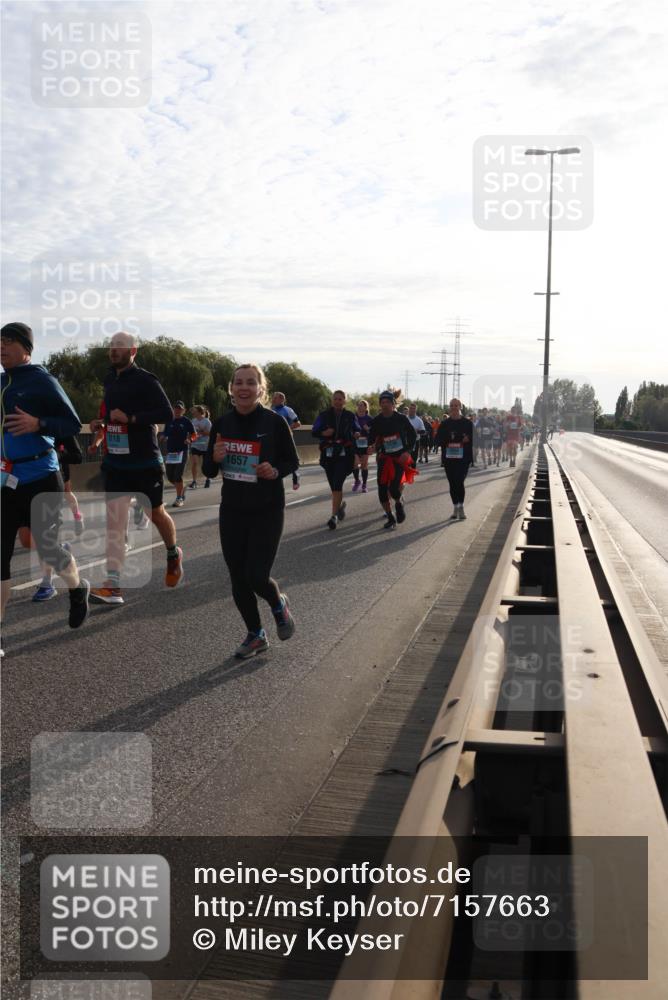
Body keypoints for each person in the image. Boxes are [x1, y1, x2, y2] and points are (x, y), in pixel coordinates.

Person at [202, 363, 299, 658]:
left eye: (250, 382)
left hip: (267, 508)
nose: (244, 387)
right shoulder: (221, 424)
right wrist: (215, 458)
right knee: (237, 577)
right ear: (231, 389)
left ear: (261, 389)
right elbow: (207, 468)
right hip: (232, 509)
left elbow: (292, 462)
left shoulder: (274, 422)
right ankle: (256, 634)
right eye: (238, 382)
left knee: (257, 575)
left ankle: (277, 603)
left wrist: (274, 469)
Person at [1, 322, 90, 635]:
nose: (1, 347)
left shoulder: (42, 380)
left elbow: (72, 423)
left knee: (49, 548)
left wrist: (38, 423)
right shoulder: (1, 383)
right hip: (5, 480)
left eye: (8, 341)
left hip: (41, 477)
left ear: (26, 348)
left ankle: (78, 589)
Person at [88, 331, 183, 605]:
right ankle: (113, 585)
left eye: (120, 346)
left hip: (144, 462)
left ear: (133, 351)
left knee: (156, 513)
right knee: (115, 523)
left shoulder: (146, 380)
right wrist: (102, 423)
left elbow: (166, 414)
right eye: (112, 346)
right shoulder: (109, 379)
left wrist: (131, 418)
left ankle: (173, 553)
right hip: (116, 463)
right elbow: (111, 414)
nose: (114, 350)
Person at [32, 434, 83, 601]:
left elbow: (77, 456)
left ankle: (47, 583)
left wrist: (55, 454)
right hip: (26, 480)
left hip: (54, 475)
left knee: (43, 535)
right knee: (28, 539)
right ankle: (59, 548)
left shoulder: (60, 424)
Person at [368, 389, 417, 530]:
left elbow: (412, 435)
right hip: (384, 457)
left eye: (387, 402)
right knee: (382, 490)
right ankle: (390, 517)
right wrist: (370, 446)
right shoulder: (377, 421)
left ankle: (399, 502)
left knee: (394, 488)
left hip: (399, 457)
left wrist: (408, 451)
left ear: (393, 404)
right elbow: (371, 437)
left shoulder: (401, 418)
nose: (384, 405)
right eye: (382, 402)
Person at [312, 390, 360, 529]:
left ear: (345, 400)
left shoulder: (350, 416)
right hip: (328, 455)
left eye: (340, 399)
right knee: (334, 487)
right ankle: (339, 509)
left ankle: (333, 516)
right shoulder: (324, 415)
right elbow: (314, 431)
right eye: (335, 399)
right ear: (332, 400)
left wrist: (356, 433)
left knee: (338, 483)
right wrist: (323, 433)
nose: (338, 401)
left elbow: (356, 429)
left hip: (345, 455)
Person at [435, 397, 474, 520]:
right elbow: (437, 439)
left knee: (459, 481)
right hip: (449, 458)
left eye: (456, 406)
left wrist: (469, 439)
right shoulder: (445, 424)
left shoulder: (468, 423)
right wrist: (445, 442)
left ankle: (461, 507)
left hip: (463, 458)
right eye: (452, 406)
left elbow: (477, 438)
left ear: (460, 407)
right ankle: (455, 507)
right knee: (452, 483)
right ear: (449, 408)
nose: (454, 408)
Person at [159, 401, 195, 508]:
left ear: (183, 410)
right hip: (171, 453)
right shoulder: (169, 421)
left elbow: (194, 434)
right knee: (170, 476)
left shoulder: (186, 421)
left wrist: (190, 439)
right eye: (176, 408)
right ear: (173, 409)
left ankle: (179, 498)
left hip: (182, 452)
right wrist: (163, 437)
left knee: (178, 475)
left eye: (180, 409)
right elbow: (165, 433)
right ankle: (181, 488)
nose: (177, 410)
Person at [270, 393, 301, 491]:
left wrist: (287, 428)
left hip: (287, 439)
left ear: (282, 399)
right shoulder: (270, 410)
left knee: (291, 459)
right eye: (273, 398)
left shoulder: (288, 410)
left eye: (275, 398)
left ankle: (296, 478)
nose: (273, 399)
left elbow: (298, 423)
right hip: (273, 439)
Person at [189, 405, 213, 488]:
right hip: (195, 445)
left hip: (205, 445)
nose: (193, 412)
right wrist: (191, 439)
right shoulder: (193, 421)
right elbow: (192, 434)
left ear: (199, 412)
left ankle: (208, 479)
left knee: (205, 464)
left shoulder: (207, 421)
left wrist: (201, 432)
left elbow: (210, 433)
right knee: (195, 462)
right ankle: (194, 481)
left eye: (194, 411)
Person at [351, 399, 372, 493]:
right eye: (358, 405)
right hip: (355, 444)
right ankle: (357, 481)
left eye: (361, 405)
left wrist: (368, 430)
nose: (359, 407)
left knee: (364, 465)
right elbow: (348, 429)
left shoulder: (369, 419)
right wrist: (353, 434)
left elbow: (374, 432)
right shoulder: (353, 418)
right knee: (355, 464)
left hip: (365, 444)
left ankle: (364, 484)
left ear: (365, 407)